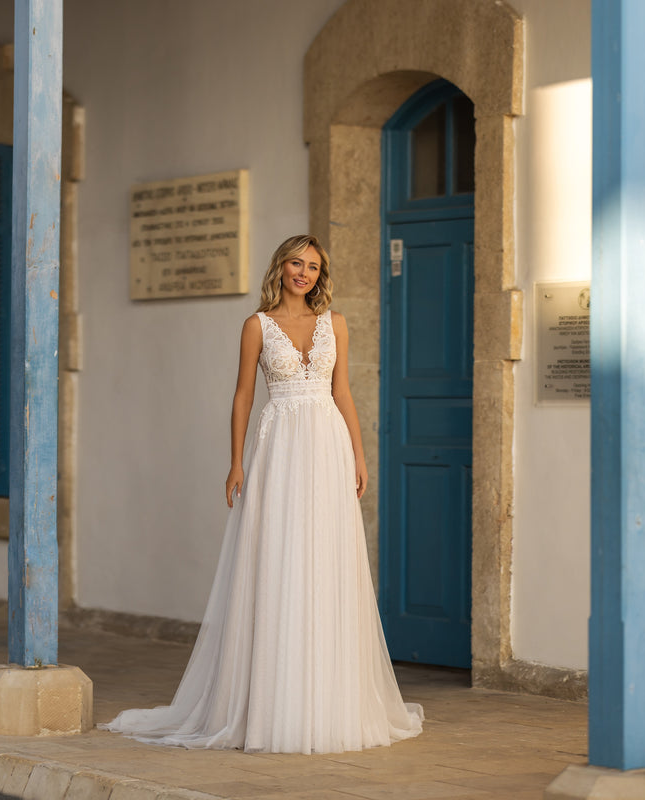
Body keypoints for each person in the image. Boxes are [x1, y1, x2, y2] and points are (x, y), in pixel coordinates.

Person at [101, 234, 424, 754]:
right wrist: (235, 461)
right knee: (279, 561)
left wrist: (360, 457)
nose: (304, 273)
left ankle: (328, 701)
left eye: (314, 267)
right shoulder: (257, 326)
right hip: (278, 451)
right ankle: (273, 702)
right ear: (281, 266)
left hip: (327, 445)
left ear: (321, 275)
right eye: (297, 263)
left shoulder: (335, 324)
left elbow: (343, 392)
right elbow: (243, 395)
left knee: (326, 564)